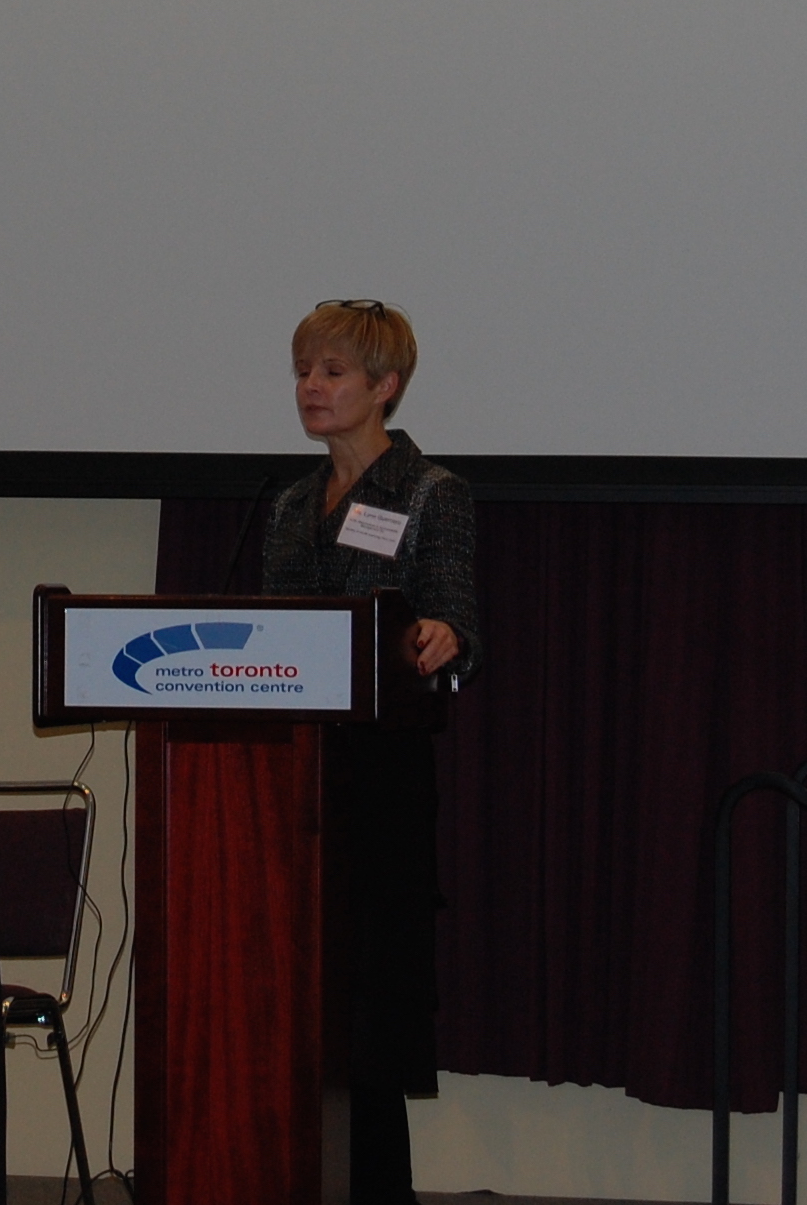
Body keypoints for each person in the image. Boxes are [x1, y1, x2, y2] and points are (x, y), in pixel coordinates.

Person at [261, 299, 480, 1205]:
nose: (310, 387)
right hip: (288, 779)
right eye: (303, 371)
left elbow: (454, 616)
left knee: (367, 1006)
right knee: (290, 998)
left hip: (377, 784)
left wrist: (443, 636)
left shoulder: (429, 493)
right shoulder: (286, 505)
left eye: (332, 371)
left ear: (384, 386)